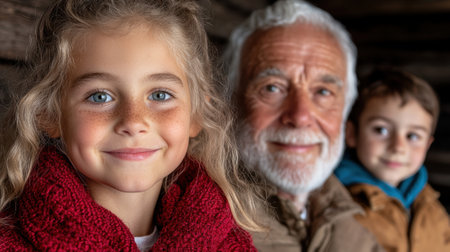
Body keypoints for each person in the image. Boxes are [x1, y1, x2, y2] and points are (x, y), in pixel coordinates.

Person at [0, 0, 260, 250]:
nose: (133, 122)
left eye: (160, 95)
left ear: (197, 114)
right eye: (99, 96)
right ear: (49, 114)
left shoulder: (230, 245)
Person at [222, 0, 384, 251]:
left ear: (346, 108)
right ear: (229, 102)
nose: (300, 117)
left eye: (323, 91)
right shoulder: (201, 227)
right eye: (272, 88)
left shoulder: (355, 227)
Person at [334, 68, 450, 252]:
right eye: (381, 130)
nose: (398, 147)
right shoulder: (338, 203)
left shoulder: (430, 205)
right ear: (352, 133)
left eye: (412, 136)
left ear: (427, 145)